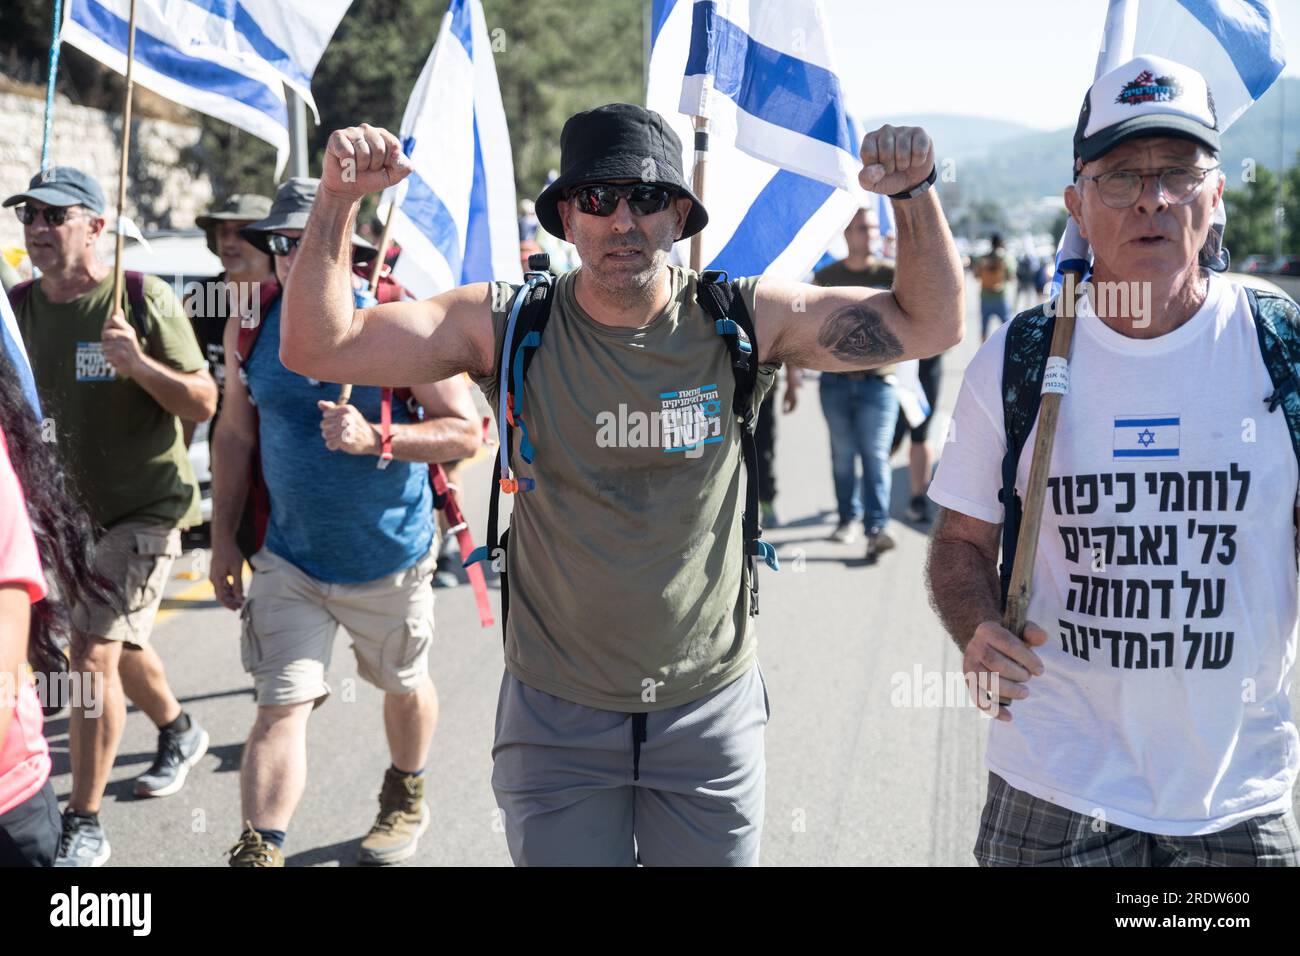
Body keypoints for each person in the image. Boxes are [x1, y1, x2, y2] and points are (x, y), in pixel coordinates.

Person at [279, 104, 963, 866]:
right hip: (557, 720)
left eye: (645, 197)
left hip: (708, 713)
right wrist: (337, 201)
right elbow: (318, 344)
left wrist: (914, 194)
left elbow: (929, 327)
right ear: (568, 218)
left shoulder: (740, 318)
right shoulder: (507, 324)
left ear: (678, 213)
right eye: (599, 199)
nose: (622, 221)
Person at [926, 56, 1300, 866]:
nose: (1154, 198)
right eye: (1122, 176)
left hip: (1235, 791)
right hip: (1054, 783)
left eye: (1178, 172)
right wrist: (979, 626)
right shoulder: (1021, 355)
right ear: (1077, 205)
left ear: (1217, 194)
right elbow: (959, 543)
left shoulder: (1281, 348)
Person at [208, 178, 482, 866]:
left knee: (403, 686)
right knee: (279, 705)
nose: (289, 257)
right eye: (279, 243)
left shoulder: (395, 321)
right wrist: (221, 543)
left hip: (388, 557)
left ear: (350, 252)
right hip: (288, 558)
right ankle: (261, 845)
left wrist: (377, 439)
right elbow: (235, 438)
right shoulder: (249, 320)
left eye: (310, 243)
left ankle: (405, 790)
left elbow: (466, 432)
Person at [4, 167, 217, 866]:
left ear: (97, 225)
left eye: (54, 216)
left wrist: (140, 365)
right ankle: (179, 728)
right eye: (28, 215)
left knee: (91, 653)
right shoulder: (18, 308)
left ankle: (83, 821)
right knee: (118, 643)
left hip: (144, 510)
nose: (37, 228)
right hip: (63, 520)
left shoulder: (138, 297)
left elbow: (202, 402)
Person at [813, 208, 899, 559]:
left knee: (876, 456)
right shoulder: (827, 276)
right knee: (842, 458)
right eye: (863, 228)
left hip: (879, 384)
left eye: (874, 229)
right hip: (834, 383)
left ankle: (877, 527)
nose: (870, 235)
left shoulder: (893, 274)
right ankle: (848, 518)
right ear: (846, 234)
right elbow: (807, 328)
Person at [187, 193, 275, 445]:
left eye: (241, 231)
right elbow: (189, 380)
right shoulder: (200, 299)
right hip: (226, 441)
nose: (228, 241)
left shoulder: (289, 299)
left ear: (268, 238)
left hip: (279, 445)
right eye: (222, 231)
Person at [974, 233, 1013, 341]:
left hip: (985, 296)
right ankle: (1008, 349)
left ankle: (982, 349)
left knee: (984, 326)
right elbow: (1011, 277)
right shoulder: (1005, 257)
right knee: (1007, 326)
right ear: (1001, 243)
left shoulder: (983, 258)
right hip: (1000, 296)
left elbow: (976, 275)